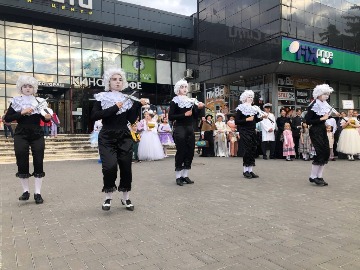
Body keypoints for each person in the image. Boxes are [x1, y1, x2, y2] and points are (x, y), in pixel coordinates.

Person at [91, 68, 148, 211]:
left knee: (126, 167)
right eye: (114, 79)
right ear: (108, 82)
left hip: (124, 135)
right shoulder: (102, 97)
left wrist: (137, 105)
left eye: (120, 79)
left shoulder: (127, 98)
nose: (117, 82)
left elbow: (130, 118)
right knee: (109, 167)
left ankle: (126, 197)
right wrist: (114, 108)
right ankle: (108, 197)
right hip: (107, 136)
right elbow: (94, 116)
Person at [4, 75, 52, 204]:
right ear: (21, 88)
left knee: (38, 160)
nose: (27, 88)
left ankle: (38, 193)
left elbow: (44, 118)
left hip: (37, 133)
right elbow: (7, 118)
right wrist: (21, 112)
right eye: (25, 86)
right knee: (21, 159)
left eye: (30, 86)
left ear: (34, 88)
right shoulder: (16, 101)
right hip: (21, 133)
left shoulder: (40, 101)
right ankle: (25, 191)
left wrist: (47, 117)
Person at [168, 79, 204, 186]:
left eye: (185, 87)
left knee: (190, 151)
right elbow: (171, 117)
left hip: (189, 128)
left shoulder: (191, 101)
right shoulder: (174, 101)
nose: (185, 89)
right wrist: (184, 115)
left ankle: (185, 175)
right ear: (178, 89)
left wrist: (199, 108)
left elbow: (195, 116)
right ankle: (178, 176)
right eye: (182, 87)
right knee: (181, 151)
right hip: (179, 128)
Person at [305, 84, 338, 186]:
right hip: (315, 130)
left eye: (327, 94)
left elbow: (327, 113)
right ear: (319, 94)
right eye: (325, 94)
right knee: (320, 152)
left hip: (322, 129)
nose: (326, 96)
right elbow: (308, 121)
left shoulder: (324, 104)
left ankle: (319, 176)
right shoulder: (313, 105)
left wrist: (335, 115)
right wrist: (322, 119)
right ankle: (313, 176)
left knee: (326, 152)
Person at [235, 90, 263, 179]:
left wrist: (261, 118)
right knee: (247, 150)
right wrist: (246, 120)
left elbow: (255, 120)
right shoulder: (241, 108)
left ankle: (250, 170)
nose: (250, 99)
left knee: (252, 150)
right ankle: (245, 171)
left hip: (252, 131)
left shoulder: (254, 108)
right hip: (244, 131)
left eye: (251, 97)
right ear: (245, 98)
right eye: (249, 97)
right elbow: (237, 121)